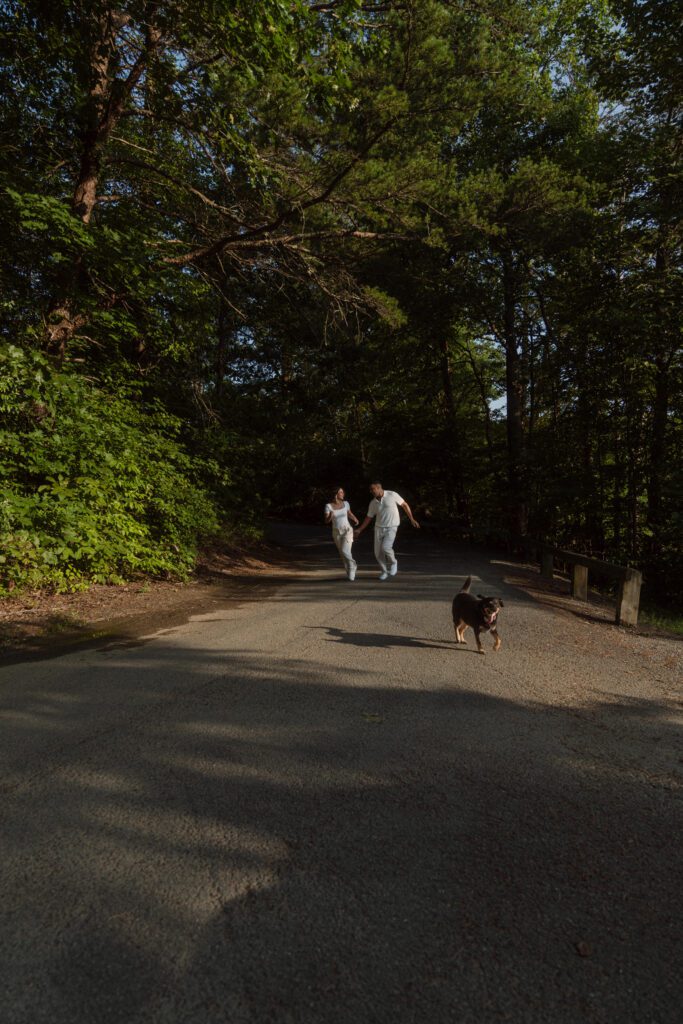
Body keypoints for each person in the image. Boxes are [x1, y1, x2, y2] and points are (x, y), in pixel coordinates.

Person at [353, 481, 419, 580]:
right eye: (370, 490)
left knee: (386, 547)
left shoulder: (392, 494)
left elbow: (404, 505)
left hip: (392, 526)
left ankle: (393, 562)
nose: (371, 491)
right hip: (379, 528)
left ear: (379, 488)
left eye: (373, 489)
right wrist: (359, 530)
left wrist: (412, 519)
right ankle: (384, 571)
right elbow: (369, 517)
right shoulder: (373, 503)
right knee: (377, 552)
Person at [324, 487, 359, 581]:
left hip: (347, 530)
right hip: (336, 532)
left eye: (343, 492)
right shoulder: (328, 506)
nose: (343, 493)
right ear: (336, 494)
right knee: (342, 554)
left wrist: (355, 519)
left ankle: (352, 566)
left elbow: (349, 513)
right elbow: (326, 521)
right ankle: (349, 570)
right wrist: (330, 516)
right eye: (341, 492)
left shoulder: (346, 503)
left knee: (345, 550)